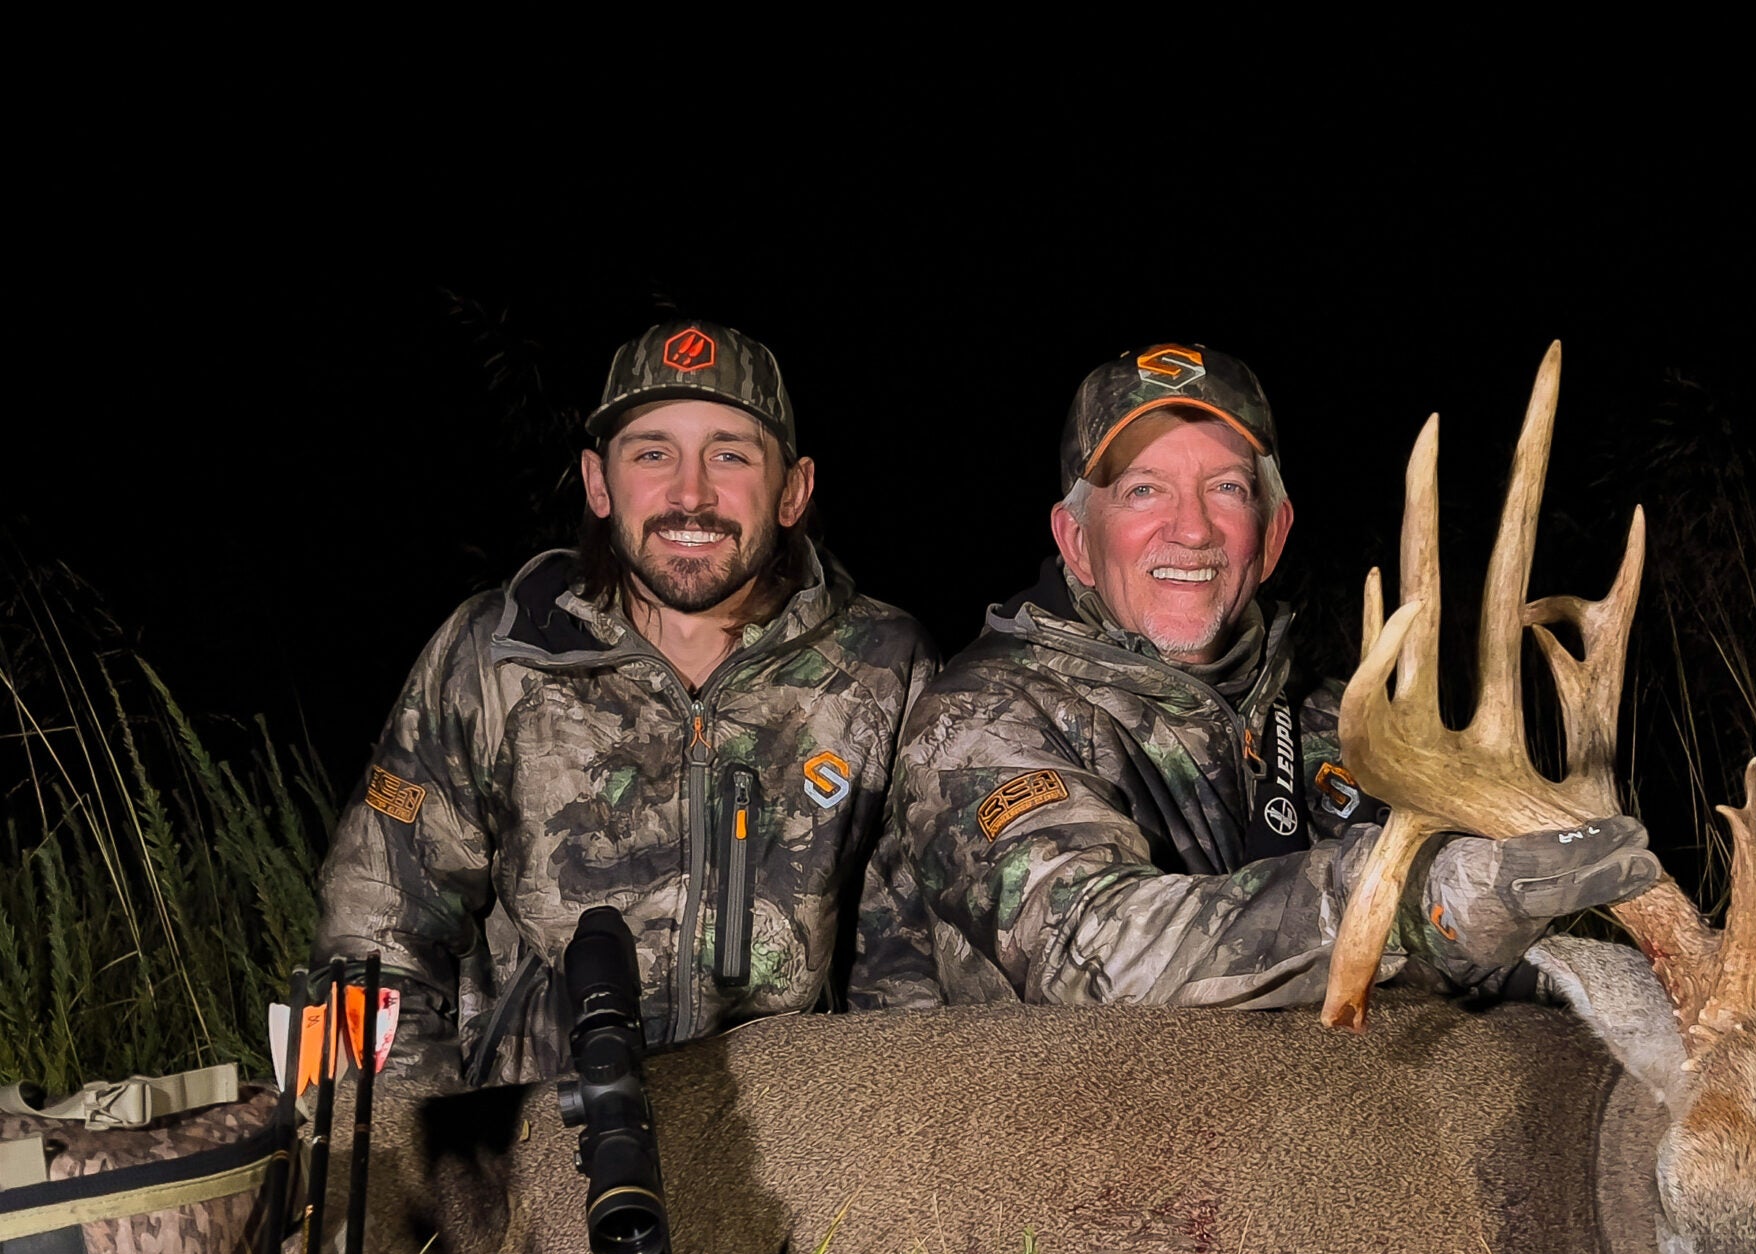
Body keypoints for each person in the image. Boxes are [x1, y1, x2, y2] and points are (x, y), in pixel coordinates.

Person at [861, 342, 1657, 1008]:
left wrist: (1536, 949)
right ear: (1074, 540)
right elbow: (1087, 950)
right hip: (1018, 1157)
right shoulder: (977, 721)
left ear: (1271, 537)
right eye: (1144, 490)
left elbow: (1442, 946)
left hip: (1277, 1145)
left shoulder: (1342, 723)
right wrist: (1409, 903)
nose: (1192, 528)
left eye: (1228, 490)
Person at [314, 320, 937, 1082]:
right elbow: (374, 926)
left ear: (792, 490)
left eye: (730, 455)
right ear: (598, 483)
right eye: (652, 453)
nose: (689, 493)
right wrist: (422, 1160)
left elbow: (911, 961)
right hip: (538, 1131)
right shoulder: (496, 653)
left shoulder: (881, 664)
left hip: (786, 1137)